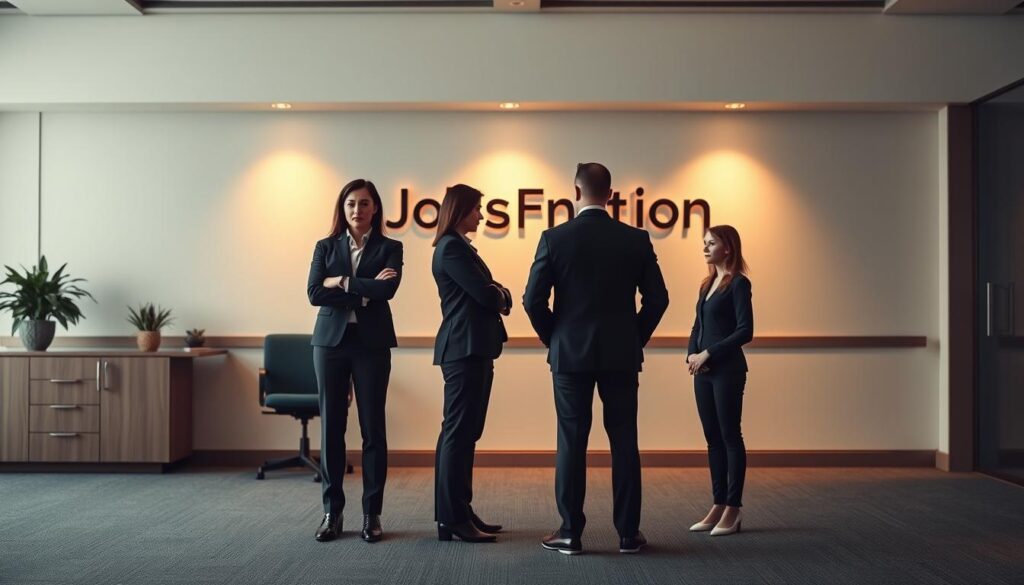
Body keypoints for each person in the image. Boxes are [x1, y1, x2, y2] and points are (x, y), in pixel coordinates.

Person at [523, 163, 669, 555]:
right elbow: (659, 299)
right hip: (621, 354)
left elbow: (531, 301)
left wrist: (554, 338)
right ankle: (628, 534)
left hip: (570, 356)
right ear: (610, 193)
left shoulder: (554, 238)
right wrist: (633, 337)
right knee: (624, 440)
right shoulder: (635, 239)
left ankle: (570, 532)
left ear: (575, 191)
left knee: (571, 441)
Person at [307, 179, 403, 543]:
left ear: (375, 208)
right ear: (342, 208)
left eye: (364, 204)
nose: (357, 210)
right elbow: (315, 293)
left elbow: (388, 290)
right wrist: (364, 289)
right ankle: (332, 513)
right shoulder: (324, 246)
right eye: (350, 204)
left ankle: (371, 515)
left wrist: (342, 282)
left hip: (371, 344)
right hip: (330, 345)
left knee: (372, 429)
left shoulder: (391, 247)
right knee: (332, 427)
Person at [431, 184, 512, 543]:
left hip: (473, 349)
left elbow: (490, 291)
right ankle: (452, 517)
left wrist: (498, 293)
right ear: (460, 210)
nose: (481, 215)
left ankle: (459, 511)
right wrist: (501, 293)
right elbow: (485, 293)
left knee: (465, 434)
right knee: (458, 434)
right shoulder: (451, 247)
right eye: (477, 208)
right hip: (463, 349)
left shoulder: (459, 247)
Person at [685, 225, 753, 537]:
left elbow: (745, 331)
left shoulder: (738, 284)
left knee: (729, 436)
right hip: (703, 371)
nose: (705, 248)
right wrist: (691, 353)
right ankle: (718, 502)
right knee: (712, 438)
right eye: (704, 243)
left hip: (727, 370)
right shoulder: (707, 284)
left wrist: (708, 353)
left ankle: (734, 507)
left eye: (711, 243)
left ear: (728, 247)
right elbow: (698, 324)